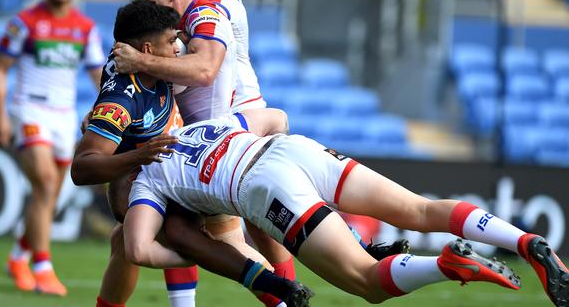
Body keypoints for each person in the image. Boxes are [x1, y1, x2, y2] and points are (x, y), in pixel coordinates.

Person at [124, 113, 569, 307]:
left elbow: (139, 249)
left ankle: (447, 264)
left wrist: (205, 250)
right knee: (419, 208)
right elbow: (274, 116)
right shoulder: (199, 124)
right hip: (292, 149)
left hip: (264, 188)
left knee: (365, 281)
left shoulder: (146, 179)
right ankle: (525, 241)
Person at [73, 0, 312, 307]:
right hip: (161, 173)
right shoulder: (122, 100)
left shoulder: (147, 58)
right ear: (145, 50)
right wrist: (136, 153)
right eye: (172, 40)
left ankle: (277, 288)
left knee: (275, 121)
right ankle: (279, 291)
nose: (178, 47)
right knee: (177, 240)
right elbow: (80, 169)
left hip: (194, 152)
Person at [0, 0, 104, 296]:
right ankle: (43, 266)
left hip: (63, 116)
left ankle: (19, 255)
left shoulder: (84, 28)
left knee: (50, 191)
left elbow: (99, 75)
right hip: (30, 111)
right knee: (45, 181)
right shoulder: (24, 22)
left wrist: (106, 112)